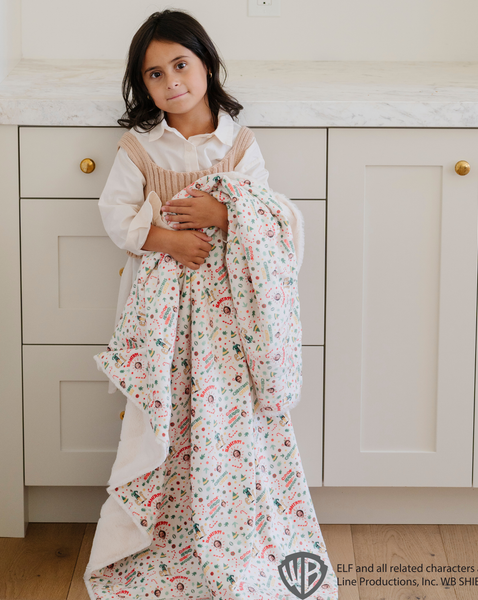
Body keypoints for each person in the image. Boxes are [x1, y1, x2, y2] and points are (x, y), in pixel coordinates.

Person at [84, 8, 338, 600]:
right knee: (167, 415)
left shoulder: (237, 142)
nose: (171, 82)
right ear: (140, 84)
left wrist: (225, 212)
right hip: (166, 316)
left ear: (206, 66)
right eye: (154, 74)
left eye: (181, 65)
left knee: (225, 413)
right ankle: (161, 533)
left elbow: (271, 221)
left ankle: (236, 530)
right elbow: (115, 216)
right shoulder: (142, 147)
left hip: (227, 315)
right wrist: (168, 238)